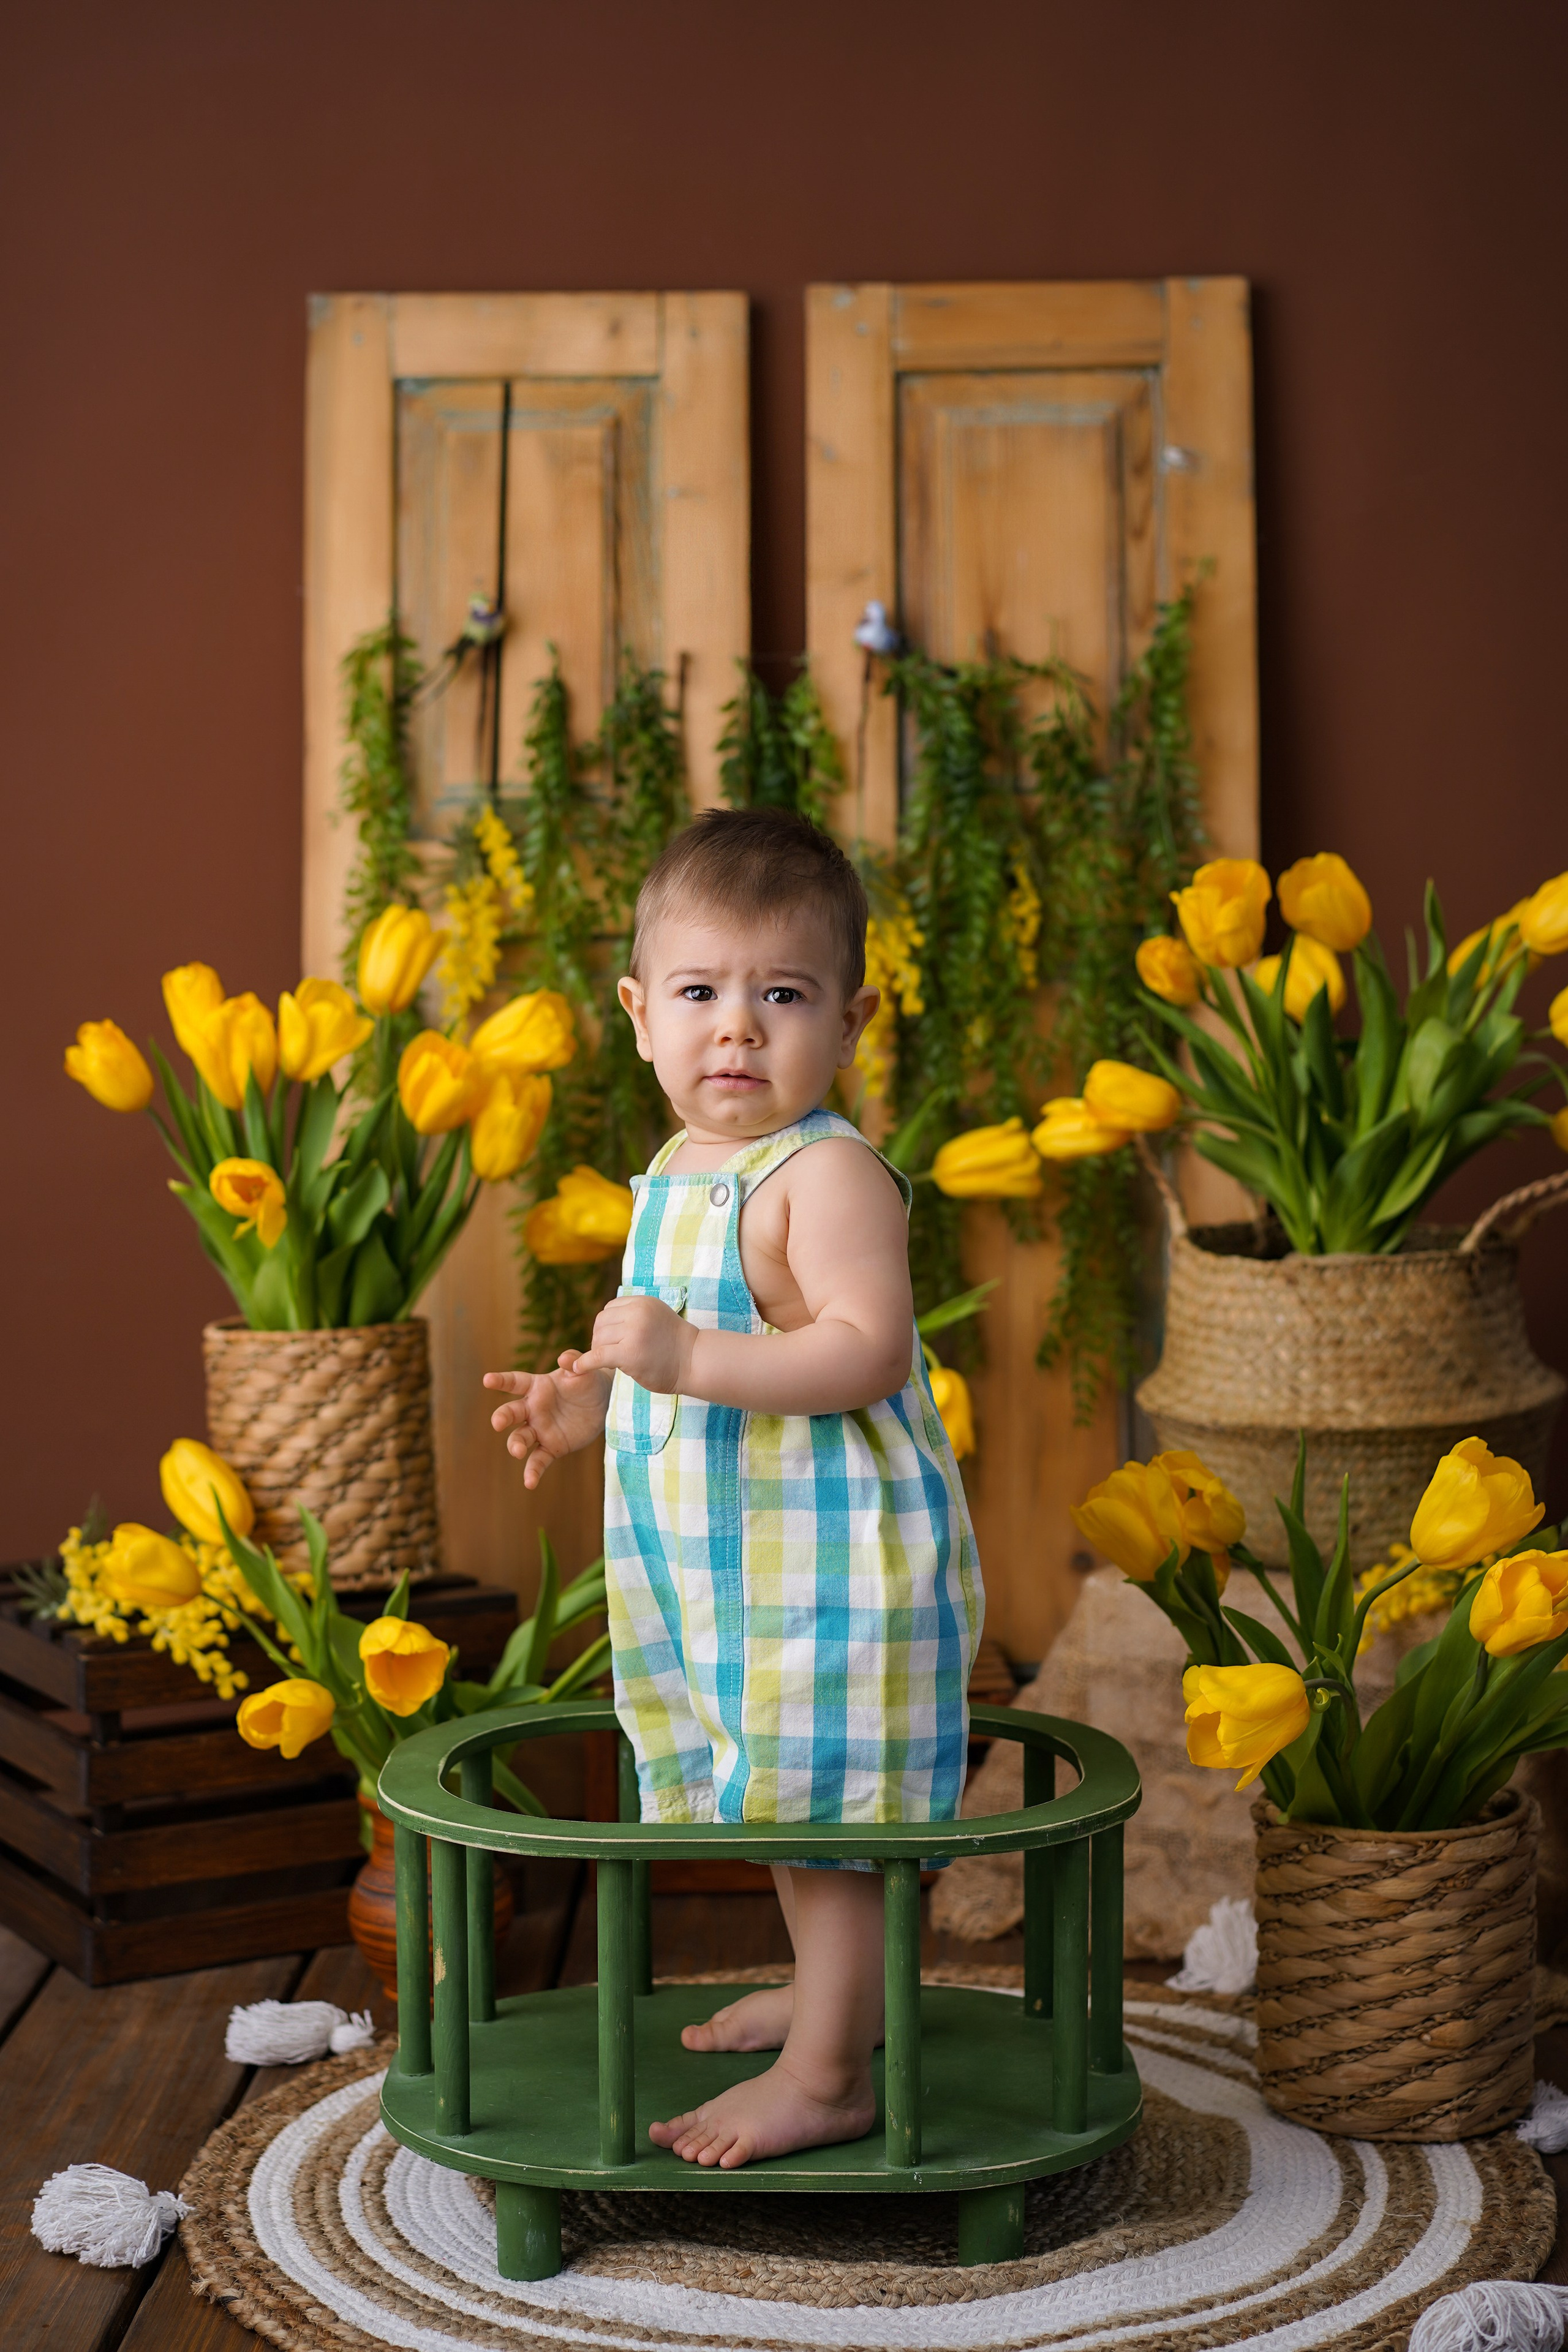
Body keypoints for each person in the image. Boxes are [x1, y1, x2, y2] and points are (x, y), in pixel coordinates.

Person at [484, 807, 982, 2169]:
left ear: (851, 1017)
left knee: (831, 1817)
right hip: (726, 1576)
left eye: (782, 995)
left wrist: (692, 1353)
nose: (737, 1032)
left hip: (831, 1574)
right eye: (701, 994)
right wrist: (588, 1401)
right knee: (778, 1795)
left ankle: (828, 2076)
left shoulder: (824, 1175)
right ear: (640, 1015)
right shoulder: (675, 1174)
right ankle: (836, 2006)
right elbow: (667, 1361)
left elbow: (863, 1350)